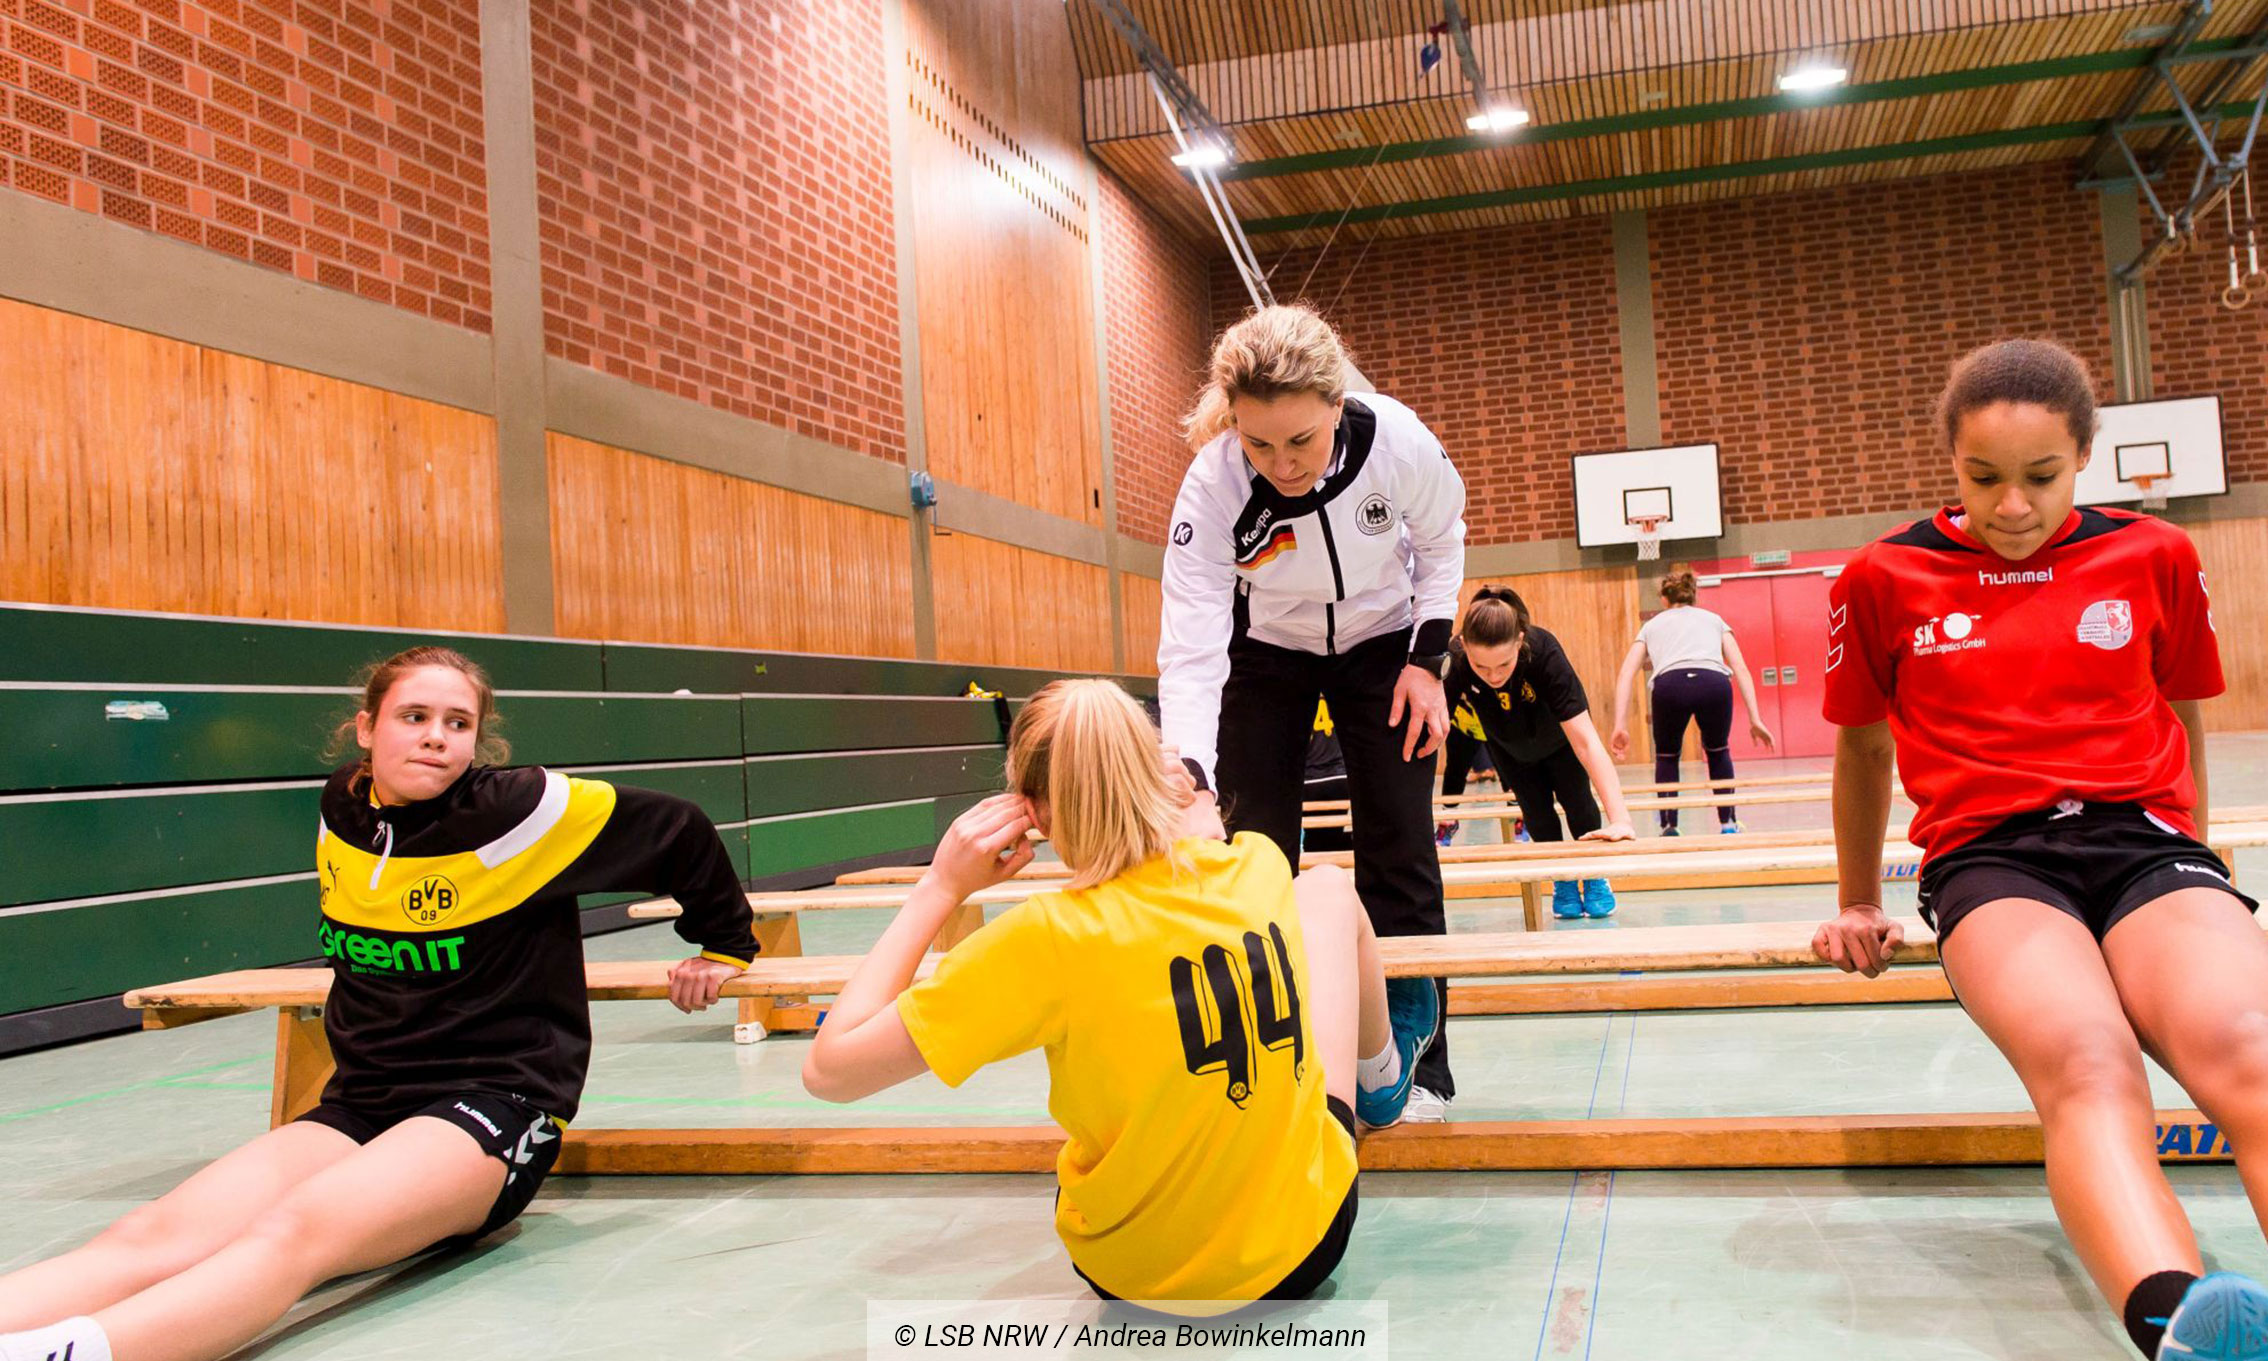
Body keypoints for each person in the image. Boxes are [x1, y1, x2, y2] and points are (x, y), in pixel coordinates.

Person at [0, 646, 758, 1361]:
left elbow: (678, 827)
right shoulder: (343, 807)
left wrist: (722, 944)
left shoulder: (522, 809)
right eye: (414, 716)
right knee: (151, 1231)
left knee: (293, 1232)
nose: (436, 738)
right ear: (366, 728)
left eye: (458, 724)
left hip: (492, 1110)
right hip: (363, 1103)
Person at [1811, 339, 2268, 1361]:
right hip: (1991, 857)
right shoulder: (1883, 575)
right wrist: (1853, 897)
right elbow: (1863, 747)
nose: (2011, 504)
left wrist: (2193, 850)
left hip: (2141, 841)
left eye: (2040, 478)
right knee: (2089, 1061)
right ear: (1950, 461)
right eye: (1983, 479)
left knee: (2251, 1043)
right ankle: (2177, 1321)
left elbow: (2181, 710)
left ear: (2085, 456)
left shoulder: (2154, 554)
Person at [802, 680, 1441, 1310]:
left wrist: (940, 886)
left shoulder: (1043, 937)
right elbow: (1193, 855)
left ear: (1033, 810)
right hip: (1302, 1253)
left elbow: (830, 1072)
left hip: (1128, 1272)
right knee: (1326, 889)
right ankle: (1382, 1079)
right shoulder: (1257, 863)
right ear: (1161, 774)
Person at [1158, 303, 1467, 1121]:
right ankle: (1275, 1055)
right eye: (1259, 442)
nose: (1281, 463)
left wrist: (1426, 663)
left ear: (1336, 403)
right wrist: (1188, 772)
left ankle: (1422, 1066)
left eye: (1300, 439)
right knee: (1253, 849)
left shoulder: (1395, 441)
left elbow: (1442, 543)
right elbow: (1190, 641)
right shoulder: (1215, 483)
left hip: (1382, 640)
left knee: (1401, 837)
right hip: (1265, 649)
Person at [1439, 587, 1636, 919]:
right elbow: (1430, 729)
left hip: (1560, 744)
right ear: (1465, 649)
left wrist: (1622, 820)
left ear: (1519, 641)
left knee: (1580, 808)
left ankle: (1594, 875)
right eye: (1481, 667)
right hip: (1509, 749)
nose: (1493, 676)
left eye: (1503, 664)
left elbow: (1587, 742)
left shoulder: (1544, 652)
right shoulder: (1456, 658)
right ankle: (1562, 880)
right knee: (1538, 817)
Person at [1608, 571, 1775, 834]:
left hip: (1670, 686)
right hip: (1713, 682)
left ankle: (1668, 825)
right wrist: (1755, 718)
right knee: (1718, 750)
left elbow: (1626, 673)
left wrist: (1620, 724)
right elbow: (1740, 667)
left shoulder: (1651, 625)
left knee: (1667, 755)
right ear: (1693, 595)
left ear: (1663, 599)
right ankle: (1728, 822)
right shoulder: (1714, 620)